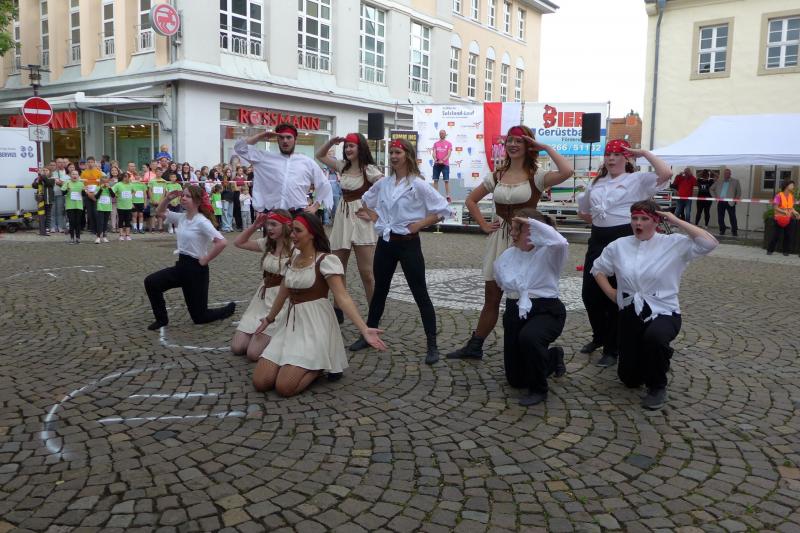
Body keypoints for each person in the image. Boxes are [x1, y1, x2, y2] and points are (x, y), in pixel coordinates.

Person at [448, 125, 574, 361]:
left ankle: (530, 345)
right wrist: (484, 225)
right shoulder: (497, 175)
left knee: (526, 294)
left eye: (519, 141)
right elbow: (471, 200)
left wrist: (544, 147)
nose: (513, 145)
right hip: (500, 238)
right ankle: (475, 345)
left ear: (529, 145)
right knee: (492, 296)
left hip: (526, 240)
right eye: (510, 141)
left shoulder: (537, 175)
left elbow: (567, 171)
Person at [591, 201, 718, 410]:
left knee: (655, 338)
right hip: (630, 312)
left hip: (663, 310)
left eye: (644, 219)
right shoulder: (619, 246)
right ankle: (655, 355)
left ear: (656, 221)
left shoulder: (673, 244)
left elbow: (709, 243)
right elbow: (597, 269)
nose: (638, 223)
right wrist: (611, 293)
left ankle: (657, 386)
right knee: (630, 380)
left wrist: (676, 220)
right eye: (634, 218)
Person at [251, 212, 385, 396]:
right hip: (289, 325)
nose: (292, 235)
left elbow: (343, 298)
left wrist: (364, 329)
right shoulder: (293, 258)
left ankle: (320, 365)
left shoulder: (326, 260)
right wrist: (269, 319)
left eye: (298, 231)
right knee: (260, 382)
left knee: (284, 387)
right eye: (292, 230)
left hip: (315, 325)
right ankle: (300, 364)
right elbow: (282, 293)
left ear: (312, 234)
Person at [348, 138, 450, 364]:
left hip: (408, 244)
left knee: (420, 293)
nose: (394, 156)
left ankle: (432, 344)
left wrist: (420, 224)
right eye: (392, 152)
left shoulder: (418, 184)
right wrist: (376, 217)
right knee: (379, 291)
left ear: (408, 156)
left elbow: (442, 209)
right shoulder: (384, 183)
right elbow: (366, 201)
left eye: (398, 153)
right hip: (386, 243)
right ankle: (368, 334)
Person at [576, 139, 672, 368]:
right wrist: (601, 222)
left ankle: (612, 347)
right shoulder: (597, 182)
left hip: (622, 238)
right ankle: (600, 335)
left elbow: (666, 173)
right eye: (608, 154)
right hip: (598, 238)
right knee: (590, 293)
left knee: (616, 295)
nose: (611, 158)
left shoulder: (636, 179)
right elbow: (584, 211)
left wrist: (643, 153)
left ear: (626, 158)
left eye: (617, 154)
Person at [494, 208, 568, 406]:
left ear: (534, 231)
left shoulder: (550, 252)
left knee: (530, 337)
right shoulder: (507, 255)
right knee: (516, 380)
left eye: (518, 229)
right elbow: (501, 282)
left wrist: (533, 224)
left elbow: (560, 242)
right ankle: (553, 357)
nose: (512, 233)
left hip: (546, 311)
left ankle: (539, 390)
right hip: (516, 310)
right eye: (512, 228)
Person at [144, 186, 236, 330]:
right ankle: (161, 319)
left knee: (199, 317)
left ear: (197, 201)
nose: (183, 198)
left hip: (196, 271)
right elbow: (159, 212)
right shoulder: (182, 217)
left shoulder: (202, 221)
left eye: (188, 196)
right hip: (182, 266)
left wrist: (206, 259)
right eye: (183, 195)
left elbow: (222, 242)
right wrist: (167, 198)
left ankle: (226, 310)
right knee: (151, 282)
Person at [315, 133, 382, 324]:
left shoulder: (369, 170)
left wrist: (375, 213)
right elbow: (320, 155)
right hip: (343, 219)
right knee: (337, 268)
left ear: (361, 148)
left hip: (362, 221)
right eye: (346, 147)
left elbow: (387, 190)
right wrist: (331, 142)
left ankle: (373, 316)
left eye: (352, 146)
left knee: (367, 273)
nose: (348, 149)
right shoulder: (342, 166)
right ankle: (338, 309)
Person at [232, 211, 293, 361]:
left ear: (286, 225)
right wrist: (254, 226)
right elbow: (238, 242)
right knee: (238, 347)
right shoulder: (268, 243)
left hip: (281, 300)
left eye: (274, 224)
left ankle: (284, 336)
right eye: (267, 224)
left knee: (253, 354)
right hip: (262, 298)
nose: (269, 228)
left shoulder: (294, 247)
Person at [234, 123, 332, 214]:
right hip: (271, 213)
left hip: (297, 214)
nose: (285, 141)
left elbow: (324, 183)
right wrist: (261, 136)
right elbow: (239, 148)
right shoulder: (265, 158)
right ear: (277, 140)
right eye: (281, 137)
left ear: (295, 140)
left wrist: (315, 206)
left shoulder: (307, 162)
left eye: (288, 137)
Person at [767, 180, 799, 256]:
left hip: (788, 219)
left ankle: (786, 251)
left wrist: (795, 212)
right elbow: (775, 207)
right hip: (779, 219)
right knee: (776, 236)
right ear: (787, 186)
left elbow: (791, 208)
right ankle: (770, 250)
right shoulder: (779, 196)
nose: (793, 187)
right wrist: (783, 211)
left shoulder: (791, 196)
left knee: (788, 236)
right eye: (792, 185)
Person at [710, 169, 742, 237]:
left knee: (732, 217)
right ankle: (722, 230)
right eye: (725, 173)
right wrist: (715, 197)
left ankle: (734, 231)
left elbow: (739, 192)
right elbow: (711, 189)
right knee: (720, 217)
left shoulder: (735, 181)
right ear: (723, 174)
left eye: (728, 173)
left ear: (730, 174)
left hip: (730, 202)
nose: (726, 174)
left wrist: (735, 200)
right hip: (721, 201)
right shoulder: (719, 181)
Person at [80, 156, 105, 233]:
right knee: (90, 212)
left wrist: (95, 193)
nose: (90, 163)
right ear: (87, 163)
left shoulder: (99, 172)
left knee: (96, 212)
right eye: (89, 162)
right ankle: (92, 228)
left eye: (92, 162)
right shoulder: (84, 173)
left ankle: (98, 228)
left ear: (94, 163)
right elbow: (82, 184)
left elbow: (101, 184)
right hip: (87, 194)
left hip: (96, 195)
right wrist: (88, 193)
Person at [61, 170, 85, 244]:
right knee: (72, 222)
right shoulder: (67, 183)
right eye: (73, 174)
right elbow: (63, 193)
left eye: (76, 174)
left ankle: (78, 238)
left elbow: (84, 195)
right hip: (70, 206)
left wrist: (84, 190)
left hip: (79, 206)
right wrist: (67, 190)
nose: (74, 175)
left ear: (78, 176)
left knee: (78, 222)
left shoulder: (81, 183)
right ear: (70, 175)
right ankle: (71, 238)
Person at [431, 130, 453, 201]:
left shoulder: (449, 144)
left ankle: (447, 196)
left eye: (443, 133)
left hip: (445, 165)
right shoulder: (435, 144)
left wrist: (443, 160)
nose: (442, 134)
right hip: (437, 164)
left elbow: (449, 154)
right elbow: (434, 153)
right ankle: (436, 196)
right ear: (439, 134)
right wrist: (436, 160)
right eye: (440, 133)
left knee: (446, 180)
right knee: (435, 180)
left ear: (445, 134)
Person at [112, 171, 135, 241]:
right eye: (126, 177)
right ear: (123, 178)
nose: (128, 178)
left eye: (128, 177)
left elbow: (134, 191)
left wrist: (131, 197)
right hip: (120, 206)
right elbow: (112, 191)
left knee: (128, 221)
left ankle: (127, 235)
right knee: (121, 221)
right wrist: (116, 196)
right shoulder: (118, 184)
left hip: (128, 206)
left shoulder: (131, 185)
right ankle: (121, 235)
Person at [32, 167, 55, 235]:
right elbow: (34, 186)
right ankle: (42, 228)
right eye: (43, 170)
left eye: (46, 170)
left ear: (50, 172)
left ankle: (47, 228)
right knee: (41, 214)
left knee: (48, 214)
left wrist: (42, 175)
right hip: (40, 199)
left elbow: (48, 183)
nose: (45, 171)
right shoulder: (40, 178)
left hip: (48, 199)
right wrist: (38, 179)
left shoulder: (52, 179)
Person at [93, 177, 113, 243]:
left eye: (106, 182)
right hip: (100, 208)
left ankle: (104, 236)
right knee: (100, 222)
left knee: (105, 223)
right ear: (100, 182)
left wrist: (109, 188)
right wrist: (101, 189)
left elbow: (113, 195)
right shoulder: (97, 188)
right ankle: (98, 237)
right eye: (103, 182)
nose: (105, 183)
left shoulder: (109, 188)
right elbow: (96, 197)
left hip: (108, 208)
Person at [52, 158, 68, 234]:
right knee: (53, 211)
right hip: (53, 193)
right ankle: (53, 227)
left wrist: (61, 183)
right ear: (56, 163)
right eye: (59, 162)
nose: (61, 164)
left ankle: (60, 227)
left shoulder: (66, 172)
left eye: (62, 162)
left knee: (60, 211)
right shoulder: (52, 172)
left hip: (62, 194)